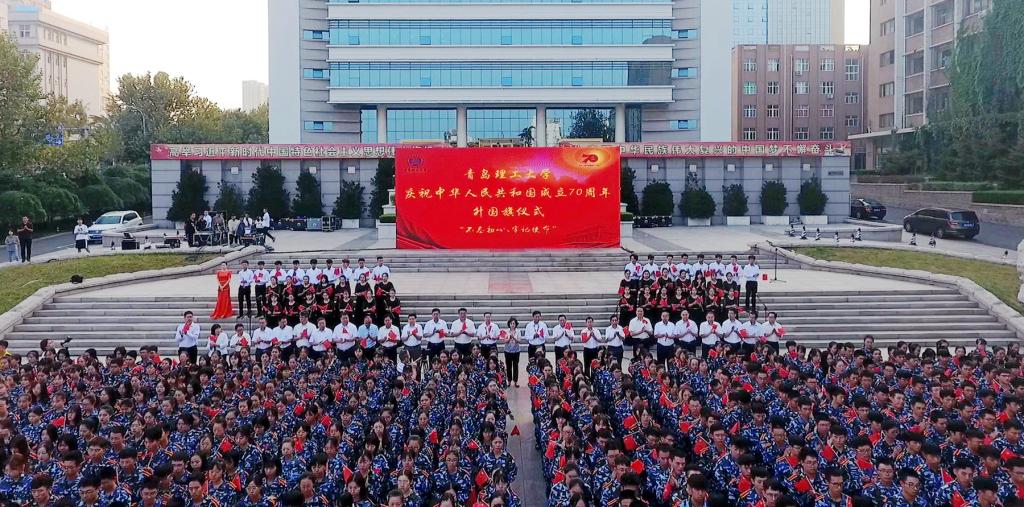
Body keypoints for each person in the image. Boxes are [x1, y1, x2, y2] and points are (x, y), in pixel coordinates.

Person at [503, 317, 523, 387]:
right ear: (509, 324)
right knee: (508, 366)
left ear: (516, 324)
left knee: (515, 366)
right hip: (507, 351)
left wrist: (514, 338)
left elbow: (519, 340)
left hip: (516, 351)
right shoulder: (506, 331)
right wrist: (509, 338)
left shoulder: (518, 331)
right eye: (511, 323)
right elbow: (504, 341)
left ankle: (515, 381)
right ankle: (509, 381)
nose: (512, 325)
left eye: (514, 323)